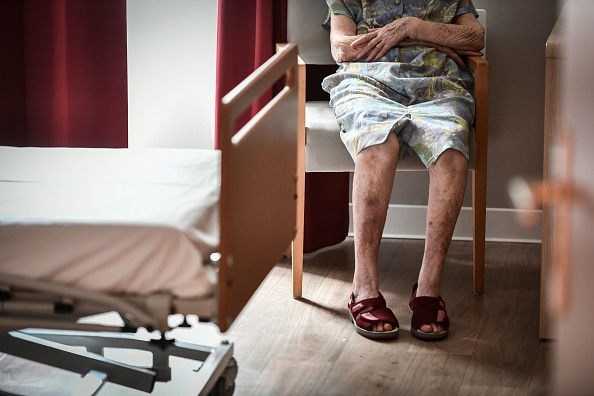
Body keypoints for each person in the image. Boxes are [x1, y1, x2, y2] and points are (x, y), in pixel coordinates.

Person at [322, 0, 485, 340]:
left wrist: (413, 27)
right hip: (368, 83)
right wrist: (434, 40)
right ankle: (363, 287)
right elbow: (342, 48)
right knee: (378, 147)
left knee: (452, 152)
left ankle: (429, 287)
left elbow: (474, 37)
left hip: (438, 84)